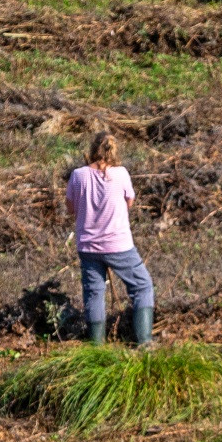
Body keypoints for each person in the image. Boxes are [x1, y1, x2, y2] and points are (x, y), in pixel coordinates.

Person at [69, 131, 153, 347]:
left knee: (94, 292)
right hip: (119, 245)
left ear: (92, 149)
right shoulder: (122, 173)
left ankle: (97, 347)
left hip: (88, 245)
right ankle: (144, 343)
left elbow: (72, 208)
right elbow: (129, 202)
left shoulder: (78, 175)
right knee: (142, 286)